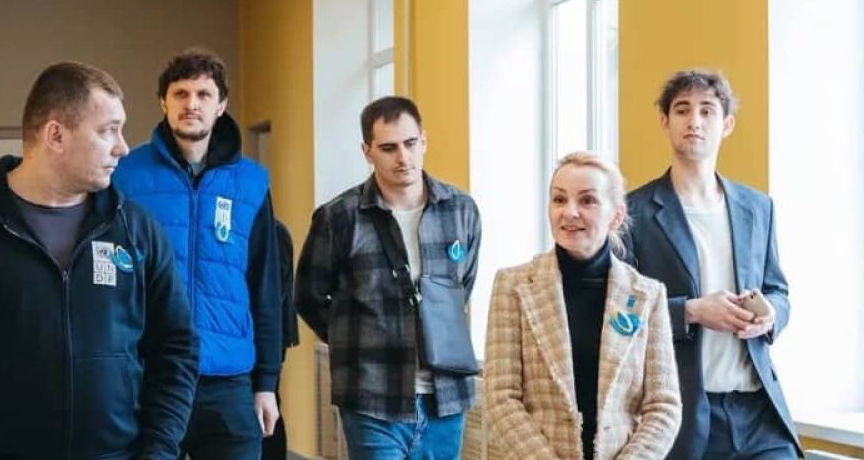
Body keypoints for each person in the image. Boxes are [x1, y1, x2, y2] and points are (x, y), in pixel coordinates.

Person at [0, 61, 198, 460]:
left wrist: (159, 452)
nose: (122, 147)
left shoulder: (136, 230)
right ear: (55, 135)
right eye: (107, 130)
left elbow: (176, 348)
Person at [114, 49, 283, 459]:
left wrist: (266, 384)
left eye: (204, 94)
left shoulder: (252, 183)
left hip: (227, 382)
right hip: (147, 375)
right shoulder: (125, 175)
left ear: (221, 105)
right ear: (163, 102)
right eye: (181, 93)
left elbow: (265, 288)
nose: (192, 104)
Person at [623, 71, 800, 460]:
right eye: (682, 110)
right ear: (665, 122)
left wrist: (772, 314)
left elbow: (778, 290)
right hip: (684, 415)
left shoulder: (758, 207)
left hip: (760, 412)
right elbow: (619, 313)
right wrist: (692, 311)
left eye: (707, 110)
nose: (695, 121)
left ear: (727, 124)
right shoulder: (633, 212)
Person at [296, 97, 481, 460]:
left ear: (424, 141)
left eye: (410, 144)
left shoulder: (461, 211)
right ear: (367, 152)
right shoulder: (339, 217)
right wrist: (356, 339)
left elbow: (463, 287)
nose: (403, 157)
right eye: (388, 148)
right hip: (372, 398)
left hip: (446, 397)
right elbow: (308, 296)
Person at [485, 152, 681, 460]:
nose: (570, 212)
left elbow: (664, 406)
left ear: (616, 215)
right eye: (559, 200)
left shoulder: (647, 295)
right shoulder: (513, 286)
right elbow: (500, 398)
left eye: (587, 201)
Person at [261, 216, 299, 460]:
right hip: (271, 337)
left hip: (267, 339)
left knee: (267, 412)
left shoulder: (274, 233)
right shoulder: (277, 231)